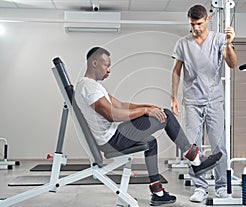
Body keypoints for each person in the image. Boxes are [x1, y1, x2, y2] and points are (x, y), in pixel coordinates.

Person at [74, 46, 223, 206]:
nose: (109, 70)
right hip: (112, 140)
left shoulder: (94, 86)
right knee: (165, 116)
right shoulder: (88, 87)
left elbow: (121, 105)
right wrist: (145, 111)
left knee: (150, 142)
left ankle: (158, 193)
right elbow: (112, 115)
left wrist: (149, 107)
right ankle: (195, 160)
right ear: (94, 63)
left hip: (112, 136)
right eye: (106, 65)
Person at [171, 4, 237, 203]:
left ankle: (221, 186)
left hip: (214, 101)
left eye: (199, 23)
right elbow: (176, 71)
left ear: (207, 19)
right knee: (192, 148)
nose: (196, 28)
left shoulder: (218, 39)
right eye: (192, 24)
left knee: (219, 145)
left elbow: (232, 64)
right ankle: (200, 187)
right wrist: (173, 97)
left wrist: (228, 44)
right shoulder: (182, 43)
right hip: (191, 101)